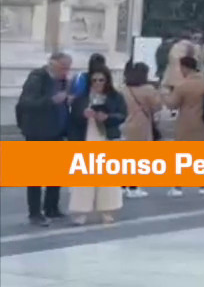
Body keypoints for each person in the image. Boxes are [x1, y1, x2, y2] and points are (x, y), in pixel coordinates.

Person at [16, 52, 73, 226]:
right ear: (52, 64)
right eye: (63, 67)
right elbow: (26, 103)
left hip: (56, 132)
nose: (66, 71)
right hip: (38, 133)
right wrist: (52, 101)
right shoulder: (37, 78)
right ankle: (35, 213)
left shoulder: (62, 81)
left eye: (68, 68)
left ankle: (51, 208)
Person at [66, 67, 127, 224]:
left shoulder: (115, 97)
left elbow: (122, 115)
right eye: (94, 80)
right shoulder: (82, 98)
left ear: (107, 81)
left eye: (101, 80)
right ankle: (81, 212)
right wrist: (83, 115)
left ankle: (107, 211)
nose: (98, 83)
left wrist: (107, 117)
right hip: (86, 137)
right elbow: (73, 119)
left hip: (107, 137)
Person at [161, 56, 204, 196]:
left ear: (185, 67)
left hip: (186, 123)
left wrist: (164, 94)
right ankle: (203, 185)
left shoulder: (183, 86)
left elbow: (172, 104)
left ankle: (178, 187)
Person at [121, 62, 163, 198]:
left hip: (125, 125)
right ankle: (133, 188)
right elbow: (157, 105)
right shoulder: (148, 89)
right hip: (141, 126)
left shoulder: (124, 89)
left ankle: (123, 186)